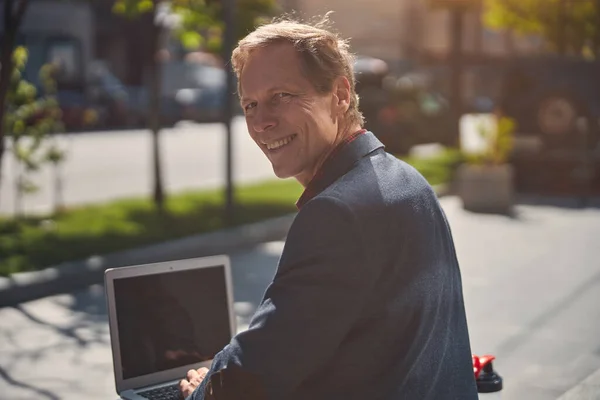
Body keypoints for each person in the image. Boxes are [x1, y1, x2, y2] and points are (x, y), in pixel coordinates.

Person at [180, 17, 478, 400]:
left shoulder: (337, 213)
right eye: (250, 104)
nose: (261, 122)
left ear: (340, 94)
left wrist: (202, 390)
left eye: (281, 96)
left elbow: (255, 372)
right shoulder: (405, 181)